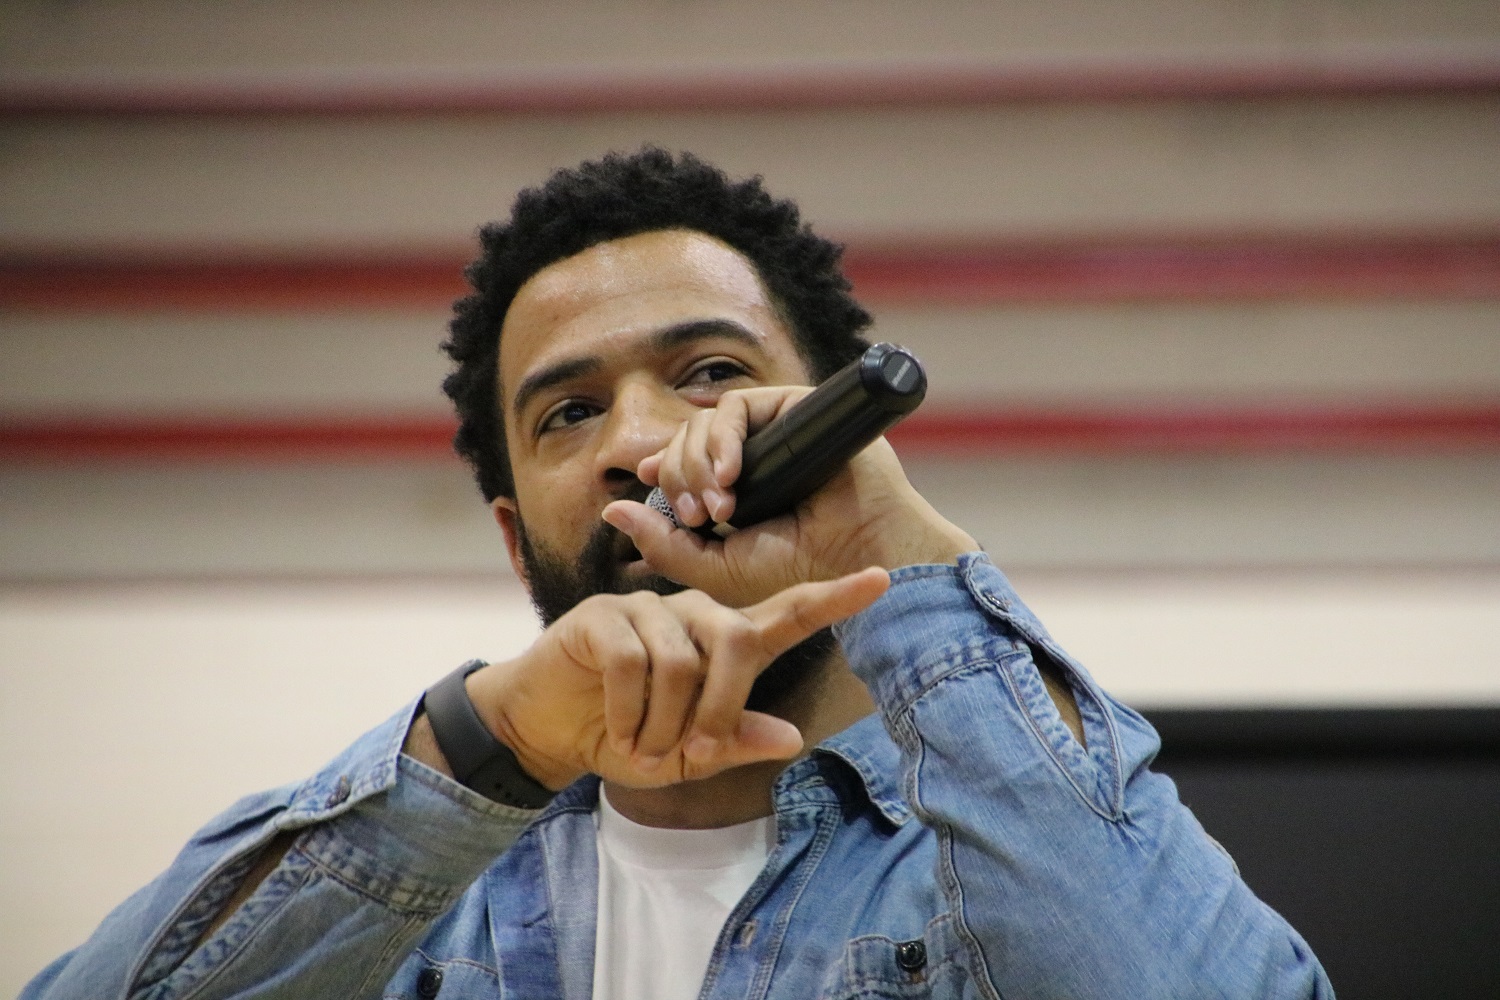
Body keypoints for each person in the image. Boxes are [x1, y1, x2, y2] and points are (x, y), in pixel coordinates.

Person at [23, 148, 1332, 1000]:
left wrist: (904, 555)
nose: (645, 443)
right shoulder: (395, 910)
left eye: (710, 373)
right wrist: (494, 742)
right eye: (568, 414)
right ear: (510, 526)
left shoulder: (1006, 856)